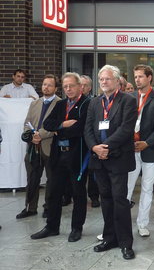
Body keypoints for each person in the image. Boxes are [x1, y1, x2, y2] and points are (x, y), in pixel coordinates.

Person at [84, 65, 137, 260]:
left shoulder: (128, 101)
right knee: (105, 199)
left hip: (118, 158)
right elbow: (88, 128)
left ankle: (125, 243)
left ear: (117, 81)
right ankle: (109, 238)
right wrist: (94, 148)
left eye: (107, 79)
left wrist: (105, 147)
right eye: (101, 79)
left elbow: (126, 129)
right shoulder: (94, 103)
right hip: (99, 159)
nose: (104, 82)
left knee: (120, 201)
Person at [31, 73, 90, 242]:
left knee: (78, 194)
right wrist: (62, 124)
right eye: (65, 87)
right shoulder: (61, 104)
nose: (68, 89)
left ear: (80, 86)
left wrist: (59, 129)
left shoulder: (87, 104)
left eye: (71, 86)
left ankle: (76, 228)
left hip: (76, 155)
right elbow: (47, 124)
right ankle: (52, 227)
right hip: (58, 155)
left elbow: (80, 129)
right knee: (53, 193)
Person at [126, 64, 154, 237]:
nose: (137, 80)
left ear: (149, 77)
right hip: (130, 149)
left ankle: (142, 223)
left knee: (147, 188)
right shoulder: (129, 97)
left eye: (141, 76)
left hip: (150, 150)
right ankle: (120, 223)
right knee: (126, 188)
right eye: (135, 77)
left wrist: (147, 143)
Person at [16, 75, 60, 220]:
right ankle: (30, 207)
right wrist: (30, 136)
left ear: (55, 88)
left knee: (52, 180)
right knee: (32, 178)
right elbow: (26, 122)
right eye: (44, 84)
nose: (46, 87)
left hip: (50, 147)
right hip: (33, 147)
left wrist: (40, 135)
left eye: (49, 85)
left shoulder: (60, 104)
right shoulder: (34, 104)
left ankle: (49, 207)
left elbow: (57, 125)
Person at [80, 75, 100, 208]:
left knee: (93, 171)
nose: (82, 88)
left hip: (93, 142)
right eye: (79, 85)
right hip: (79, 143)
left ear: (90, 87)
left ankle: (94, 197)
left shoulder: (95, 101)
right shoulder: (71, 102)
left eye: (84, 85)